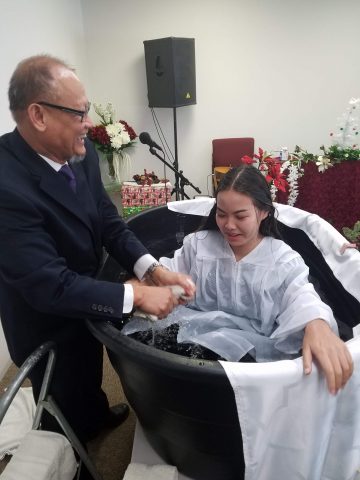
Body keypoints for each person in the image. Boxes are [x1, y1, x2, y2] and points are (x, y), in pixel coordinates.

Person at [0, 54, 195, 443]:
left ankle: (96, 415)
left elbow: (107, 220)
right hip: (46, 321)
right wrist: (137, 294)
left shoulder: (76, 152)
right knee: (61, 403)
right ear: (38, 115)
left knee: (88, 372)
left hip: (87, 297)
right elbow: (49, 286)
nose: (90, 124)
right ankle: (74, 451)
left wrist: (151, 270)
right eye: (80, 112)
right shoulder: (6, 186)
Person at [154, 165, 353, 395]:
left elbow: (301, 294)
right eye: (221, 214)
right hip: (193, 334)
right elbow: (167, 274)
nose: (229, 225)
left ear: (264, 212)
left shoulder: (282, 259)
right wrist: (140, 283)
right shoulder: (199, 245)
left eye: (240, 216)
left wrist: (317, 325)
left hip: (253, 355)